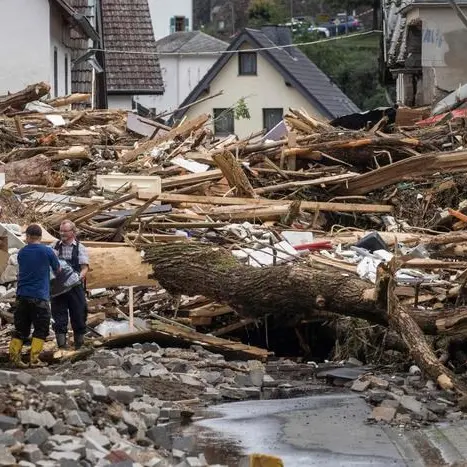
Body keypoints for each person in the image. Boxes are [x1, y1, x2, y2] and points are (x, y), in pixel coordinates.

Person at [9, 224, 60, 367]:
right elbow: (58, 269)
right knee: (41, 328)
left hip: (22, 296)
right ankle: (34, 359)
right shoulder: (48, 251)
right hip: (40, 297)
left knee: (21, 328)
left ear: (28, 236)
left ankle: (14, 359)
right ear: (40, 237)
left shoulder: (22, 252)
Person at [51, 220, 89, 350]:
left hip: (74, 287)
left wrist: (77, 277)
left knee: (78, 314)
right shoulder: (54, 246)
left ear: (73, 232)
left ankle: (79, 344)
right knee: (58, 315)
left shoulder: (80, 248)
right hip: (58, 288)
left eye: (65, 231)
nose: (62, 234)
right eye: (60, 231)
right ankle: (62, 346)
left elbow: (84, 268)